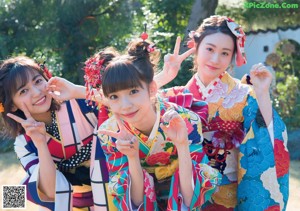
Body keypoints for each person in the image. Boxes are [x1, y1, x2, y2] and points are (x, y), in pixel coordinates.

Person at [155, 15, 290, 211]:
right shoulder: (174, 96)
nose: (216, 59)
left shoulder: (244, 94)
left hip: (228, 196)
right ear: (196, 46)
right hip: (186, 193)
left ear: (233, 56)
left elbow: (270, 138)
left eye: (225, 53)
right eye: (209, 49)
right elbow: (132, 108)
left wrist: (262, 93)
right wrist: (163, 77)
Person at [80, 36, 221, 210]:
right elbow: (135, 203)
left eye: (133, 91)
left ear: (152, 88)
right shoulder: (110, 133)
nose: (125, 106)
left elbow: (190, 197)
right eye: (114, 97)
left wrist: (183, 145)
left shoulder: (185, 120)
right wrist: (132, 157)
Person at [0, 56, 116, 211]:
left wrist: (79, 91)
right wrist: (40, 143)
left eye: (38, 81)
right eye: (23, 91)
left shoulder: (80, 103)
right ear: (12, 106)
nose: (37, 92)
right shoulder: (23, 143)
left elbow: (123, 104)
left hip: (115, 189)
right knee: (14, 196)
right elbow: (50, 191)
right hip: (70, 203)